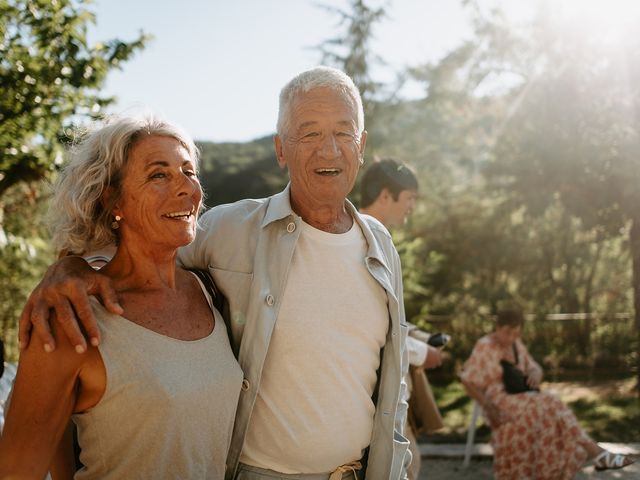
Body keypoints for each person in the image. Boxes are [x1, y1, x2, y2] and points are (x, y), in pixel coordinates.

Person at [18, 67, 410, 480]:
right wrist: (71, 267)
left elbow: (393, 381)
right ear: (280, 149)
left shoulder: (380, 246)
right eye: (309, 133)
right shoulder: (226, 230)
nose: (329, 151)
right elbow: (134, 240)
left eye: (343, 133)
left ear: (361, 145)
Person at [0, 113, 243, 478]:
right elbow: (16, 470)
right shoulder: (69, 316)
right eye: (158, 174)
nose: (185, 188)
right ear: (113, 200)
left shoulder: (210, 289)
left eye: (189, 172)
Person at [460, 309, 636, 479]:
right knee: (550, 401)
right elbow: (468, 381)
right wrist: (488, 407)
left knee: (547, 411)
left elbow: (534, 366)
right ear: (497, 327)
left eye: (516, 333)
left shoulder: (516, 345)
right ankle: (595, 451)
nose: (511, 337)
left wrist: (536, 372)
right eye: (507, 332)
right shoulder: (485, 345)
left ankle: (568, 463)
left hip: (524, 397)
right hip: (498, 399)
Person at [360, 158, 443, 480]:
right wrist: (424, 353)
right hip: (376, 401)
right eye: (409, 198)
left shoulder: (379, 239)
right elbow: (371, 328)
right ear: (385, 195)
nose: (412, 207)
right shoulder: (363, 241)